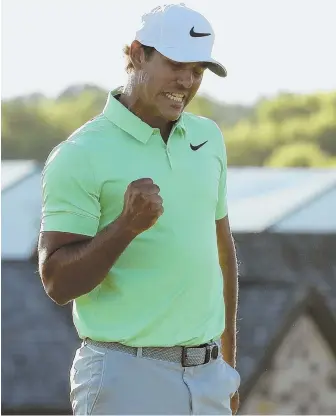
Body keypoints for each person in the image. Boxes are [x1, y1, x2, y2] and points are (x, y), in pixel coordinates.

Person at [38, 3, 240, 415]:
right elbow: (57, 282)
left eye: (198, 69)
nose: (186, 81)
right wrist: (126, 227)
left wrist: (229, 366)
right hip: (125, 378)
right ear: (135, 54)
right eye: (175, 64)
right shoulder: (79, 155)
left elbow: (222, 256)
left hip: (209, 380)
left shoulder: (208, 138)